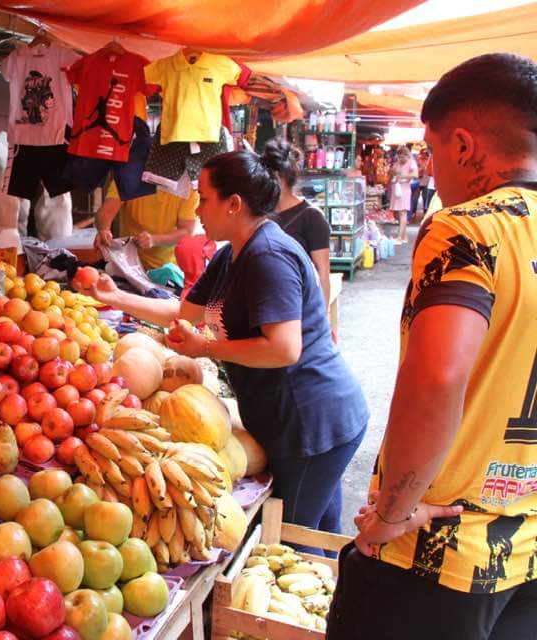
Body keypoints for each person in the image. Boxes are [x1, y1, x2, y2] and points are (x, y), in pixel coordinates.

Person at [328, 53, 537, 639]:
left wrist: (390, 515)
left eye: (432, 149)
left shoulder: (469, 227)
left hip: (436, 557)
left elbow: (438, 376)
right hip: (526, 560)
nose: (433, 168)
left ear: (464, 145)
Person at [80, 151, 368, 543]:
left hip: (311, 421)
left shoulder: (268, 256)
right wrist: (114, 297)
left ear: (234, 204)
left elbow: (285, 349)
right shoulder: (233, 252)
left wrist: (207, 349)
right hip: (301, 419)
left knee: (292, 542)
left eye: (205, 198)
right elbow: (183, 311)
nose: (197, 210)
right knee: (320, 541)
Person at [263, 138, 332, 307]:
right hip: (267, 303)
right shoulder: (261, 213)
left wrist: (320, 321)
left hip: (300, 306)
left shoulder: (312, 217)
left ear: (279, 178)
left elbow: (322, 273)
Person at [93, 180, 198, 271]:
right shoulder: (128, 176)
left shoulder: (189, 187)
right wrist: (104, 229)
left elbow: (187, 231)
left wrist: (154, 240)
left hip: (164, 269)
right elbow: (105, 213)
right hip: (126, 264)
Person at [390, 146, 419, 243]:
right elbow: (391, 172)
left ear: (407, 155)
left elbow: (415, 175)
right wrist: (393, 171)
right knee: (397, 213)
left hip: (404, 189)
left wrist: (402, 176)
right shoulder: (397, 163)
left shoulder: (411, 162)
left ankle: (399, 238)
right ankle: (404, 236)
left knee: (402, 212)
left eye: (403, 157)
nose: (401, 159)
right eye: (399, 157)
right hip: (397, 188)